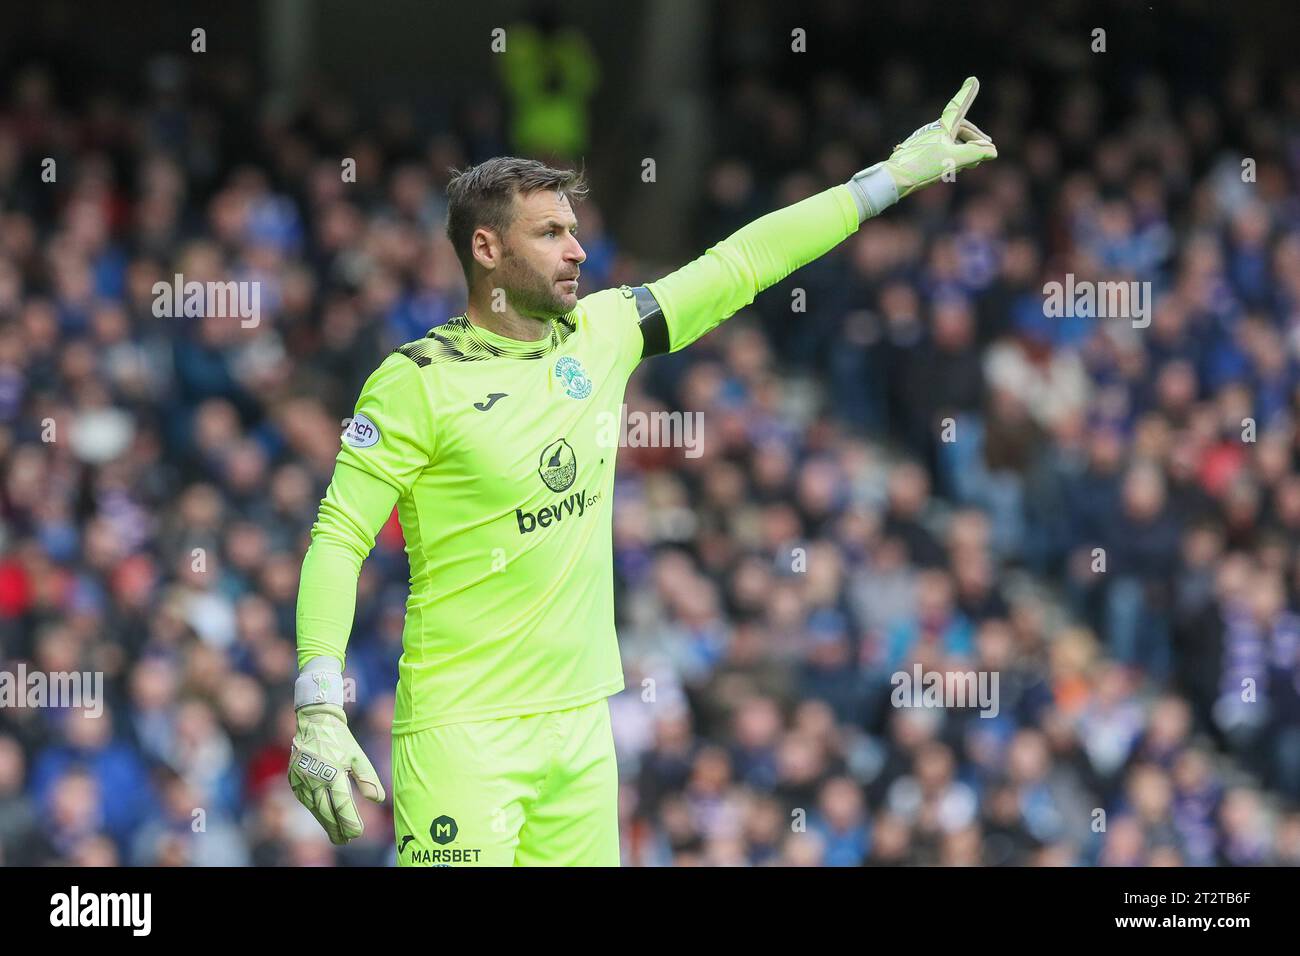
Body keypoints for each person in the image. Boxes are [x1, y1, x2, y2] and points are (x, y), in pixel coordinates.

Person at [287, 78, 998, 866]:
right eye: (551, 232)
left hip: (583, 726)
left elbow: (741, 264)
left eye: (575, 229)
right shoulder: (416, 379)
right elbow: (339, 536)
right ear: (486, 250)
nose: (577, 249)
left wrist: (890, 178)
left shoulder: (605, 330)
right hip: (464, 733)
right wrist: (320, 703)